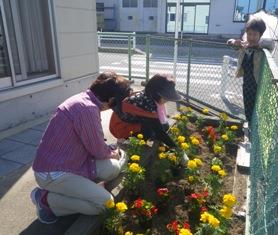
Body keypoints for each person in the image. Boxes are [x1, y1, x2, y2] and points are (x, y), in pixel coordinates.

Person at [31, 72, 132, 224]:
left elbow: (95, 143)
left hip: (71, 161)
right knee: (106, 204)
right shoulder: (87, 110)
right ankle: (46, 200)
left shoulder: (85, 100)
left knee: (112, 168)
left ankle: (82, 190)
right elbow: (97, 151)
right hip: (53, 173)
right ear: (111, 100)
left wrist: (111, 153)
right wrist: (114, 153)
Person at [109, 74, 181, 148]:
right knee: (149, 130)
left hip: (129, 122)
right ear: (156, 94)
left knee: (164, 126)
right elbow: (159, 132)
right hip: (120, 128)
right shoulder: (146, 104)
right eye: (166, 98)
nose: (167, 101)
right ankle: (126, 142)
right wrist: (177, 149)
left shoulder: (149, 96)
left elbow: (161, 123)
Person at [227, 18, 273, 124]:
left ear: (260, 35)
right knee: (247, 107)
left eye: (255, 35)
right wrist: (235, 42)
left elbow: (271, 44)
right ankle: (249, 126)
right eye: (249, 34)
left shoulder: (262, 49)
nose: (251, 37)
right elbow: (229, 42)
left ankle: (254, 129)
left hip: (259, 84)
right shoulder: (245, 45)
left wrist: (258, 45)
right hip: (247, 83)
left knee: (257, 109)